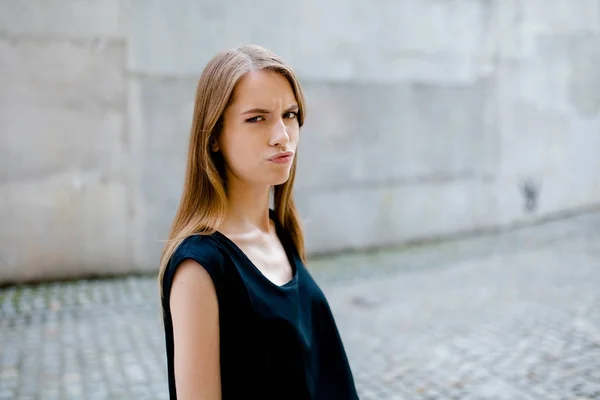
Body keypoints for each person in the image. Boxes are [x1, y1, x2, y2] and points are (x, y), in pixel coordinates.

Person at [158, 44, 359, 400]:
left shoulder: (279, 229)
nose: (282, 135)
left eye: (291, 115)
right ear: (215, 135)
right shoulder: (200, 268)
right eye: (257, 118)